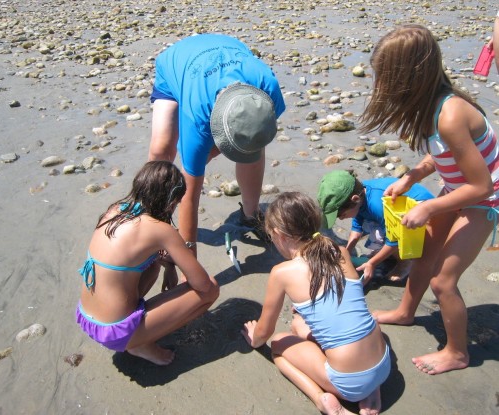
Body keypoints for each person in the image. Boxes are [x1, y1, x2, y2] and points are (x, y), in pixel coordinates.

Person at [360, 24, 499, 375]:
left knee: (443, 280)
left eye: (385, 79)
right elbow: (438, 155)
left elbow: (481, 186)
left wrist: (429, 206)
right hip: (458, 189)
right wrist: (411, 177)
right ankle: (406, 313)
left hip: (486, 199)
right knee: (421, 254)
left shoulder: (451, 115)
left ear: (409, 78)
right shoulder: (427, 110)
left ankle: (457, 352)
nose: (381, 87)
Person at [242, 192, 391, 415]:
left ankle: (324, 400)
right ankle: (371, 389)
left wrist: (254, 338)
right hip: (383, 365)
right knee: (299, 325)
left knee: (279, 344)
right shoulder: (339, 252)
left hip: (349, 382)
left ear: (279, 235)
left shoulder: (282, 273)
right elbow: (345, 307)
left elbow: (265, 332)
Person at [149, 34, 286, 253]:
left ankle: (251, 215)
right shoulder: (197, 117)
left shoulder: (269, 91)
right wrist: (188, 258)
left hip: (228, 48)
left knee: (251, 144)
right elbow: (189, 196)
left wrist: (230, 147)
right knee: (162, 150)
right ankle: (152, 216)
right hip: (178, 63)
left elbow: (254, 135)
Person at [76, 161, 219, 365]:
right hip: (115, 332)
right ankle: (139, 343)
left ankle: (137, 335)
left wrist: (168, 266)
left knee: (150, 264)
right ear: (171, 201)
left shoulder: (115, 210)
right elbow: (202, 284)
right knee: (211, 289)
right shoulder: (159, 229)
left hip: (88, 319)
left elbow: (139, 254)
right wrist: (177, 259)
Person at [317, 170, 434, 284]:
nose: (341, 219)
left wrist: (372, 263)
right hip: (390, 216)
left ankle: (406, 262)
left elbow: (394, 239)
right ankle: (389, 255)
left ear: (355, 199)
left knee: (386, 236)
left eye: (341, 215)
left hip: (423, 216)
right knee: (373, 228)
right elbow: (357, 228)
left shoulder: (377, 204)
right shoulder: (359, 194)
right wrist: (347, 252)